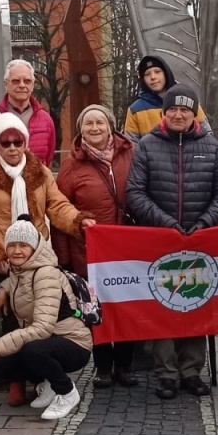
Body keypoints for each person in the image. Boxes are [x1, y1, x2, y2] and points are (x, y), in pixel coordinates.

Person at [126, 82, 218, 399]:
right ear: (164, 112)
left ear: (193, 114)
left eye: (184, 110)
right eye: (172, 109)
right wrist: (166, 222)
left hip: (200, 240)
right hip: (161, 240)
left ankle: (191, 371)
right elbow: (134, 193)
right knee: (165, 306)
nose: (177, 114)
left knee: (195, 304)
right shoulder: (147, 145)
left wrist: (205, 222)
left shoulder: (212, 146)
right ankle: (167, 374)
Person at [53, 104, 136, 387]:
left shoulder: (130, 154)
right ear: (81, 129)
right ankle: (102, 366)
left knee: (125, 307)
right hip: (88, 250)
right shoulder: (71, 166)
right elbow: (60, 211)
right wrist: (64, 258)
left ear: (110, 125)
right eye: (88, 123)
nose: (95, 127)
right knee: (95, 309)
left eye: (100, 122)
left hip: (126, 248)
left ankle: (125, 365)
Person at [0, 217, 92, 421]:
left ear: (35, 248)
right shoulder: (18, 271)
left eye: (24, 245)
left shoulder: (45, 274)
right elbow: (20, 282)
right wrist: (3, 287)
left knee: (33, 350)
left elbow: (42, 329)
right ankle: (49, 384)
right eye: (12, 245)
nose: (17, 250)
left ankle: (67, 393)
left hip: (73, 341)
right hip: (49, 340)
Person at [0, 112, 91, 278]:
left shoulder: (41, 172)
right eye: (5, 143)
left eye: (18, 142)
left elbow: (57, 205)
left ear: (25, 144)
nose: (12, 148)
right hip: (3, 261)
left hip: (37, 256)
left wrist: (79, 221)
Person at [124, 54, 203, 139]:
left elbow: (207, 135)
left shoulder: (188, 100)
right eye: (147, 74)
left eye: (157, 72)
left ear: (166, 73)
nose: (153, 77)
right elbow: (131, 147)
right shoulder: (135, 110)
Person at [1, 59, 58, 164]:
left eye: (27, 81)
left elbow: (48, 157)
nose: (22, 85)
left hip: (37, 179)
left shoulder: (45, 119)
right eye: (16, 81)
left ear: (32, 85)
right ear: (6, 85)